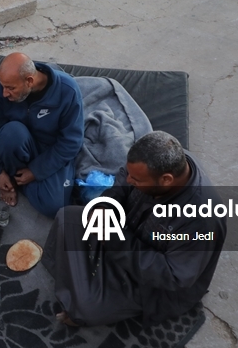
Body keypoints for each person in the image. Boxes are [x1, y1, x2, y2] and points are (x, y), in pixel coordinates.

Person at [43, 131, 226, 327]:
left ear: (166, 180)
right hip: (123, 235)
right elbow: (121, 184)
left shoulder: (202, 218)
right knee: (67, 218)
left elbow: (174, 276)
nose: (130, 180)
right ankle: (75, 280)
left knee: (87, 307)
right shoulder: (150, 165)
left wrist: (115, 239)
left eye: (137, 180)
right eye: (130, 174)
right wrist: (106, 206)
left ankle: (83, 298)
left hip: (151, 286)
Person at [0, 52, 84, 218]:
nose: (4, 93)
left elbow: (71, 143)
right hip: (19, 143)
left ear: (29, 81)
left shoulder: (68, 91)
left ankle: (19, 180)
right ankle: (14, 179)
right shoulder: (2, 88)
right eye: (3, 86)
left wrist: (34, 172)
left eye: (10, 88)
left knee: (55, 207)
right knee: (11, 133)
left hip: (51, 149)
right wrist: (0, 171)